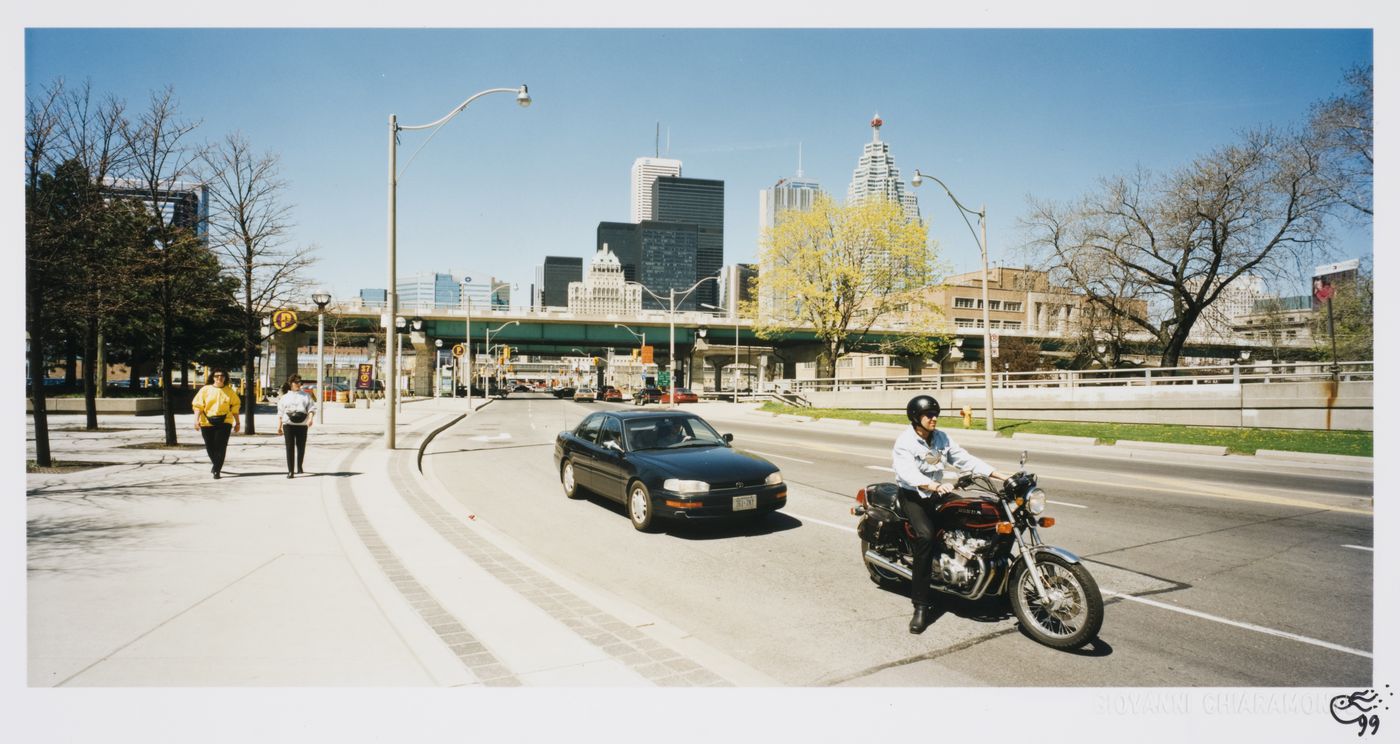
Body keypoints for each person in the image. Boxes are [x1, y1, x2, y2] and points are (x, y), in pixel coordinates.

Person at [892, 395, 1009, 634]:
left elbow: (964, 459)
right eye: (929, 415)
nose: (934, 419)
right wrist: (933, 486)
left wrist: (1002, 475)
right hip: (913, 495)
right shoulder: (905, 441)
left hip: (938, 492)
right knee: (926, 536)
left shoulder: (941, 438)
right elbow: (907, 473)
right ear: (916, 418)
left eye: (936, 414)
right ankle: (921, 605)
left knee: (974, 516)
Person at [191, 369, 241, 479]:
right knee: (210, 446)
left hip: (225, 422)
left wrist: (237, 422)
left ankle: (217, 470)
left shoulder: (230, 391)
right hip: (206, 422)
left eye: (222, 375)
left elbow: (235, 407)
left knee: (221, 446)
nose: (219, 377)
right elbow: (198, 406)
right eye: (216, 376)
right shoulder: (205, 390)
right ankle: (216, 464)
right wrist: (196, 420)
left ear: (225, 377)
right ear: (213, 377)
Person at [277, 374, 317, 478]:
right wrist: (279, 426)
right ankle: (291, 471)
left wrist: (310, 419)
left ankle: (299, 466)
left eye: (300, 382)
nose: (299, 384)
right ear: (291, 384)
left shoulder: (306, 395)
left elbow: (311, 408)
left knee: (301, 446)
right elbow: (280, 413)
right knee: (289, 447)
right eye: (296, 382)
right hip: (288, 424)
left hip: (302, 424)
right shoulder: (284, 397)